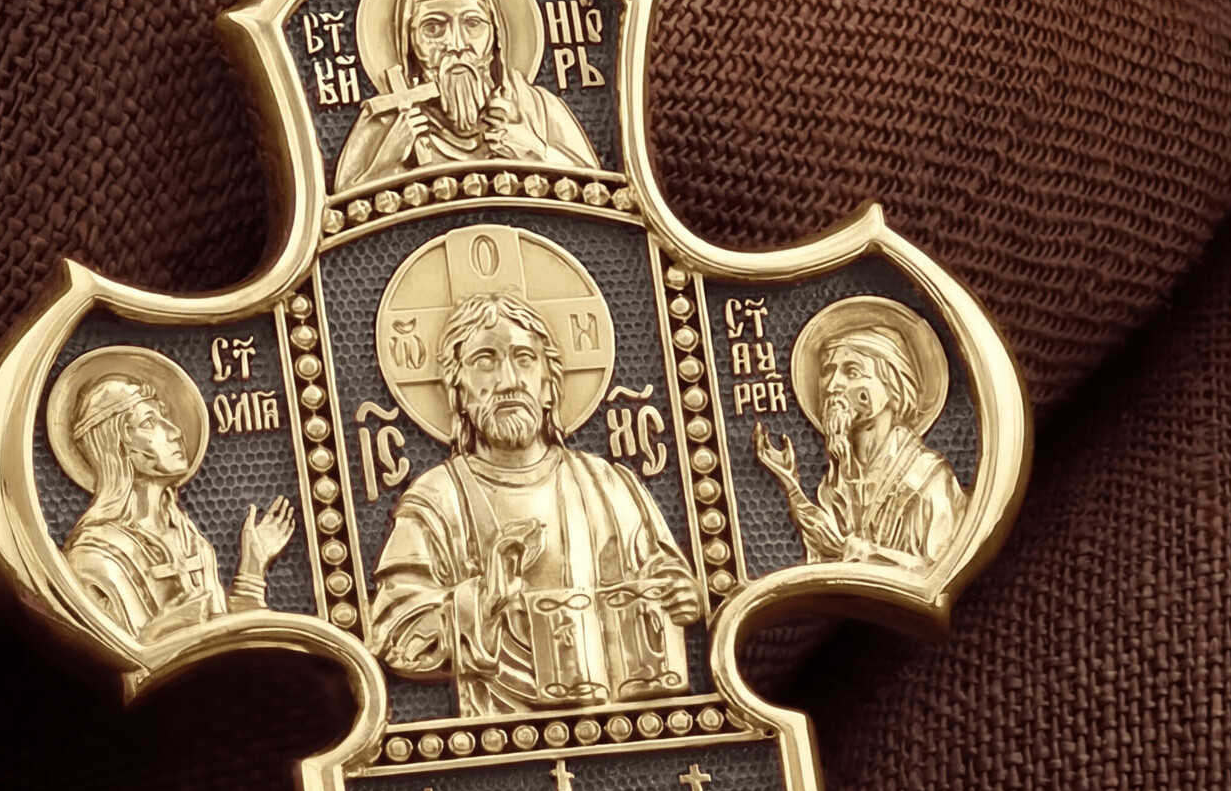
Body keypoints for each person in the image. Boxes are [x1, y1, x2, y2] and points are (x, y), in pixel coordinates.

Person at [370, 292, 702, 715]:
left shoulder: (606, 483)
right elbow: (395, 635)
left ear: (548, 384)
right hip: (499, 733)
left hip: (629, 720)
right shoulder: (437, 499)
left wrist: (681, 594)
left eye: (524, 358)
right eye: (485, 361)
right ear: (459, 390)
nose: (509, 380)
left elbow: (662, 570)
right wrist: (486, 597)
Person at [333, 0, 600, 190]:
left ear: (496, 36)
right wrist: (386, 163)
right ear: (409, 42)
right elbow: (338, 212)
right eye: (433, 28)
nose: (456, 45)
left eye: (472, 24)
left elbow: (598, 192)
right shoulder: (384, 121)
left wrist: (535, 152)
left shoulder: (539, 110)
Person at [60, 374, 294, 644]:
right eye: (149, 423)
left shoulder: (191, 541)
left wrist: (251, 569)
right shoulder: (95, 556)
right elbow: (117, 657)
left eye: (164, 416)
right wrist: (160, 635)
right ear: (118, 447)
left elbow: (233, 645)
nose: (175, 432)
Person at [754, 316, 965, 570]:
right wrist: (790, 484)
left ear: (893, 386)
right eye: (827, 372)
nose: (833, 386)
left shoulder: (928, 477)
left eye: (852, 372)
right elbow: (829, 543)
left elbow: (941, 569)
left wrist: (862, 553)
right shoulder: (840, 477)